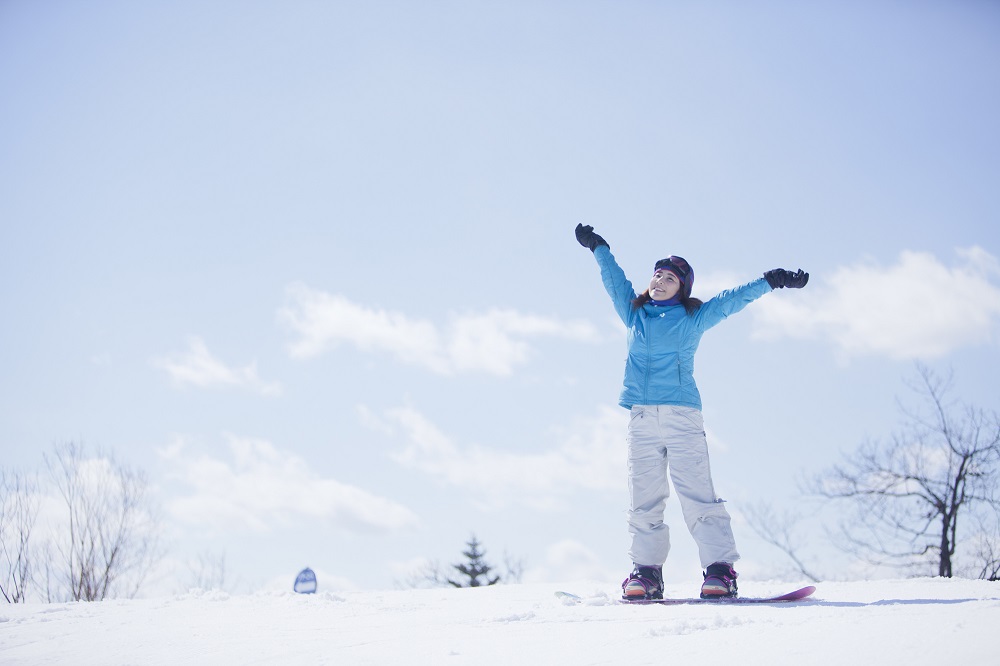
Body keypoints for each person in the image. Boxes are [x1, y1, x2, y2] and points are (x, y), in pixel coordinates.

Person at [574, 223, 809, 600]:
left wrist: (771, 281)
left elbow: (731, 300)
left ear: (683, 287)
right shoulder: (635, 316)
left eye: (670, 278)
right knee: (643, 497)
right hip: (641, 418)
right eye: (657, 275)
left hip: (682, 416)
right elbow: (614, 280)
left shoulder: (692, 319)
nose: (660, 281)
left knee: (698, 495)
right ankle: (646, 573)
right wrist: (598, 246)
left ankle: (719, 570)